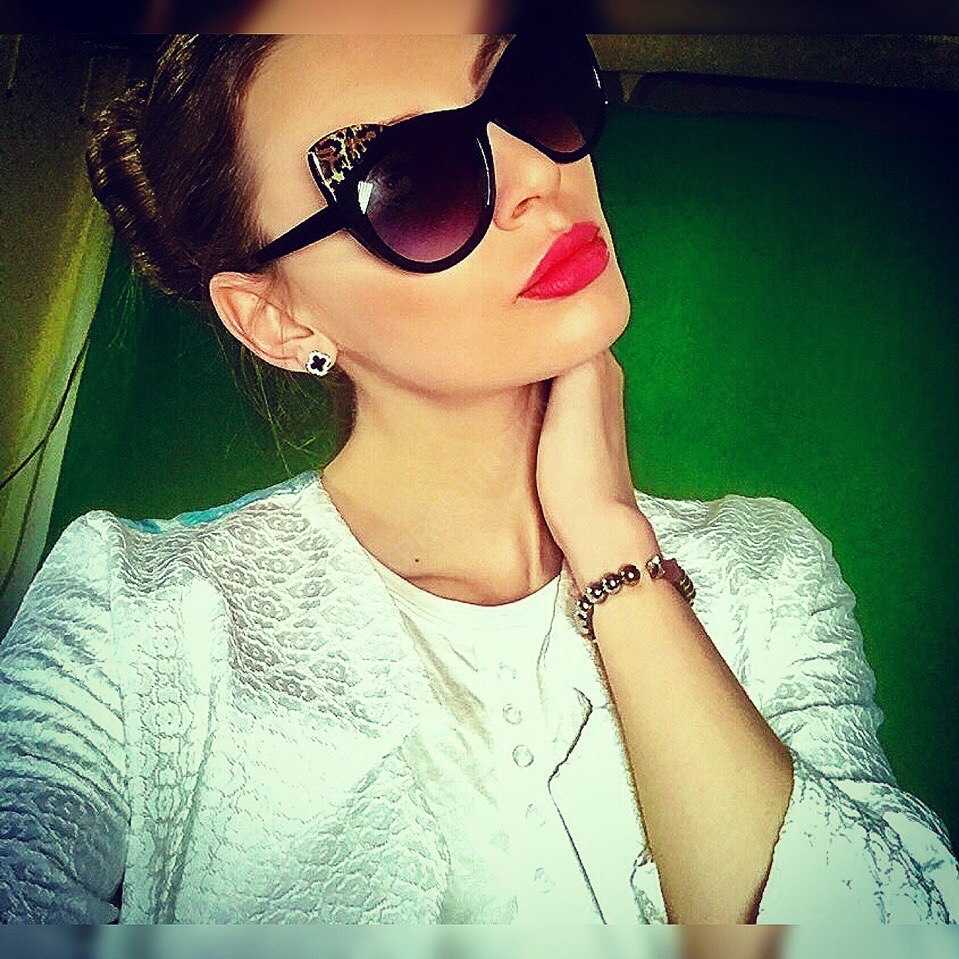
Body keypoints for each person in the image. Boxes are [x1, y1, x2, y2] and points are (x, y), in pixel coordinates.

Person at [1, 33, 957, 926]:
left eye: (529, 86)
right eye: (412, 178)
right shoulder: (131, 610)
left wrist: (611, 546)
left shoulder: (766, 566)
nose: (538, 174)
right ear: (277, 320)